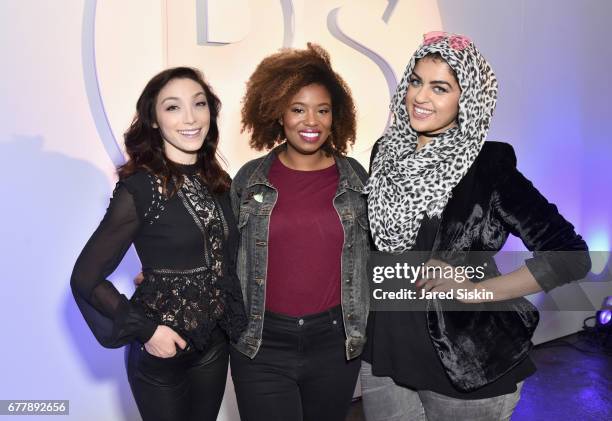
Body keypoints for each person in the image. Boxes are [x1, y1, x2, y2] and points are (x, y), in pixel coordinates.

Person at [361, 32, 591, 421]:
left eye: (440, 88)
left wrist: (477, 291)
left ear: (465, 99)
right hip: (384, 355)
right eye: (416, 81)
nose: (420, 97)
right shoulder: (385, 152)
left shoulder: (488, 167)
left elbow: (571, 257)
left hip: (467, 365)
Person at [70, 67, 246, 421]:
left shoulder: (218, 181)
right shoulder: (141, 187)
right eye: (173, 107)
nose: (191, 118)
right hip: (161, 352)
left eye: (199, 104)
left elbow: (223, 259)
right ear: (152, 120)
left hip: (213, 345)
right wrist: (148, 331)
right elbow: (85, 278)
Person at [229, 43, 370, 421]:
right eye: (298, 109)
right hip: (261, 342)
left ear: (335, 116)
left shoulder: (356, 180)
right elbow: (222, 254)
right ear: (278, 113)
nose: (312, 121)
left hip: (334, 341)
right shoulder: (250, 180)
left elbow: (381, 251)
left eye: (322, 110)